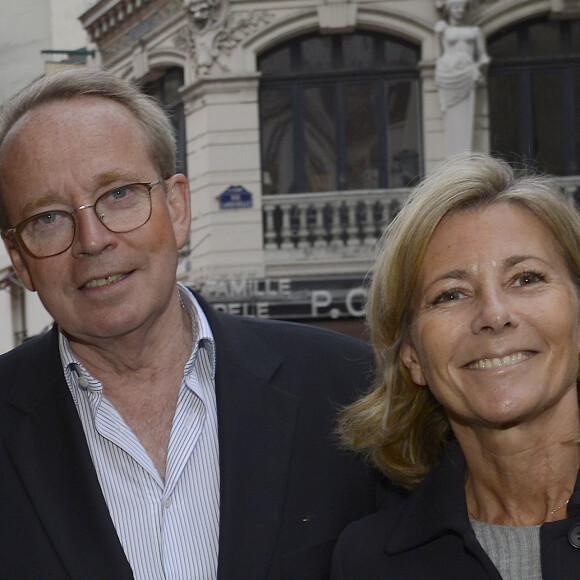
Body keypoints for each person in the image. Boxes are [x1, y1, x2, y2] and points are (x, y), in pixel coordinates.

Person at [0, 68, 384, 580]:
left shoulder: (350, 387)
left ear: (177, 208)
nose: (92, 240)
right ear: (20, 260)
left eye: (119, 194)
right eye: (47, 217)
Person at [332, 152, 580, 579]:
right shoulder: (368, 562)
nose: (494, 314)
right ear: (413, 356)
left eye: (526, 278)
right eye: (450, 294)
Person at [434, 0, 490, 154]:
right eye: (456, 7)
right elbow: (438, 56)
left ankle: (463, 158)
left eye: (462, 7)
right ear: (449, 9)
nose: (460, 10)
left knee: (466, 121)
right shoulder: (442, 29)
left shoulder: (474, 31)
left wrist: (476, 68)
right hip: (449, 75)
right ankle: (456, 160)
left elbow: (483, 57)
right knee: (452, 120)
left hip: (468, 74)